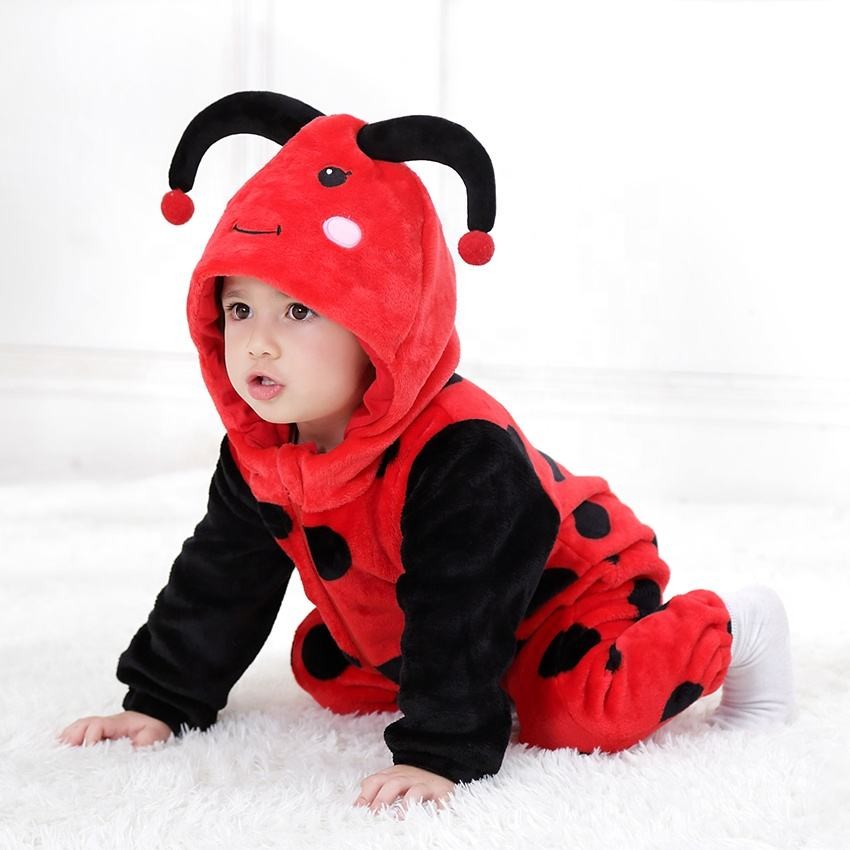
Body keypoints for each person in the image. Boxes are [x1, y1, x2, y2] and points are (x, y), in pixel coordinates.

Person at [57, 91, 795, 815]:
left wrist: (440, 750)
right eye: (240, 308)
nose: (257, 342)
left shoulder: (461, 452)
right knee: (328, 671)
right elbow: (223, 576)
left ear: (385, 323)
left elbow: (461, 598)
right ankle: (479, 682)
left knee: (575, 717)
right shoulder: (263, 448)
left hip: (568, 590)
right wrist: (161, 701)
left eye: (299, 310)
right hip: (426, 613)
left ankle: (734, 625)